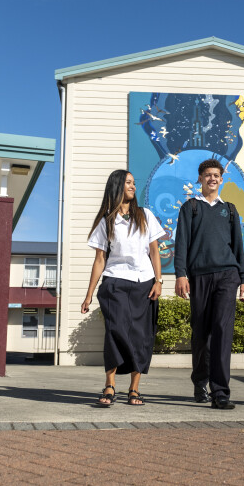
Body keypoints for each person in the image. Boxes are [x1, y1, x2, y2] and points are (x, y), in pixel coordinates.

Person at [81, 169, 166, 406]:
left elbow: (154, 252)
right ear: (117, 186)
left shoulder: (145, 215)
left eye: (134, 182)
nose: (133, 186)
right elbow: (100, 260)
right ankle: (110, 385)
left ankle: (134, 389)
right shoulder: (106, 221)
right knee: (115, 331)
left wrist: (158, 281)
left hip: (144, 283)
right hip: (115, 282)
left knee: (141, 336)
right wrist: (88, 295)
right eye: (128, 182)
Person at [174, 159, 244, 410]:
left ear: (221, 179)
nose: (212, 179)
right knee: (201, 333)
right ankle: (200, 381)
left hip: (228, 275)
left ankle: (220, 392)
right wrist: (180, 274)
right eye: (207, 175)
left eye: (216, 175)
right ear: (200, 179)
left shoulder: (230, 209)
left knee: (222, 330)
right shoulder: (190, 207)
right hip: (199, 276)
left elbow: (238, 247)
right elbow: (181, 243)